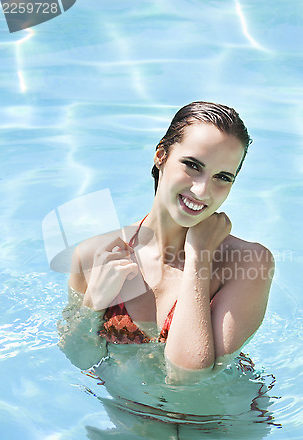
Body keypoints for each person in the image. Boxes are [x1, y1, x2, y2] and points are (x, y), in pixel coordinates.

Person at [58, 100, 274, 382]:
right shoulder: (94, 255)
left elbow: (187, 377)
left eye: (223, 177)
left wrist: (199, 257)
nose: (202, 190)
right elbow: (79, 358)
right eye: (193, 165)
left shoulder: (248, 262)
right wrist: (94, 303)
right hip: (125, 420)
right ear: (161, 155)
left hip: (222, 422)